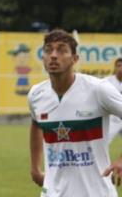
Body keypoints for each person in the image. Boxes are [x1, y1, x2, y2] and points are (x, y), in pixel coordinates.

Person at [28, 30, 122, 196]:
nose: (54, 55)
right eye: (48, 50)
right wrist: (35, 168)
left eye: (62, 50)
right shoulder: (36, 95)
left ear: (75, 59)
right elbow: (36, 124)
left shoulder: (98, 90)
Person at [104, 57, 122, 143]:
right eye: (119, 66)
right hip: (112, 119)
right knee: (104, 142)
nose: (121, 68)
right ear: (115, 67)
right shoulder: (106, 82)